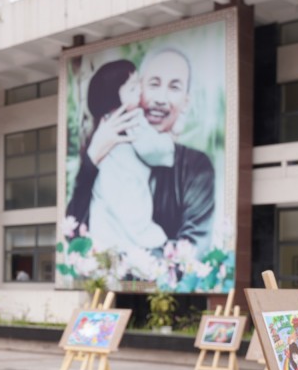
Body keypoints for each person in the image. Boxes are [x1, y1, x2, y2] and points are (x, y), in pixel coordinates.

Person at [66, 47, 215, 258]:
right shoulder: (123, 124)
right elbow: (73, 222)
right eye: (152, 85)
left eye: (174, 87)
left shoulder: (196, 166)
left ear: (186, 101)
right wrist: (91, 159)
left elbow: (195, 246)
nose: (160, 99)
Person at [84, 59, 175, 255]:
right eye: (133, 89)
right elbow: (153, 151)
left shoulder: (105, 122)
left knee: (107, 218)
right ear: (114, 97)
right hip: (124, 185)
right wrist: (167, 143)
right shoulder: (130, 119)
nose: (140, 93)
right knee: (130, 213)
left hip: (112, 191)